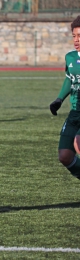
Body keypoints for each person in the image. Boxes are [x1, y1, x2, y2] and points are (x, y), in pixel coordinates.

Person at [49, 15, 80, 181]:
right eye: (74, 36)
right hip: (75, 112)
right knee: (65, 156)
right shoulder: (71, 57)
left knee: (78, 142)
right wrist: (59, 99)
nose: (76, 40)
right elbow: (70, 78)